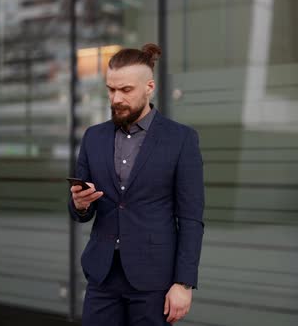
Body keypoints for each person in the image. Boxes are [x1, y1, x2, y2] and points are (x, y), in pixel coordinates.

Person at [68, 43, 205, 326]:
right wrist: (79, 205)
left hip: (154, 280)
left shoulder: (181, 140)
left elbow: (191, 218)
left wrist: (184, 283)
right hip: (102, 275)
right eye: (111, 89)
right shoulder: (93, 137)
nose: (116, 98)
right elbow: (80, 210)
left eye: (126, 90)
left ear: (149, 87)